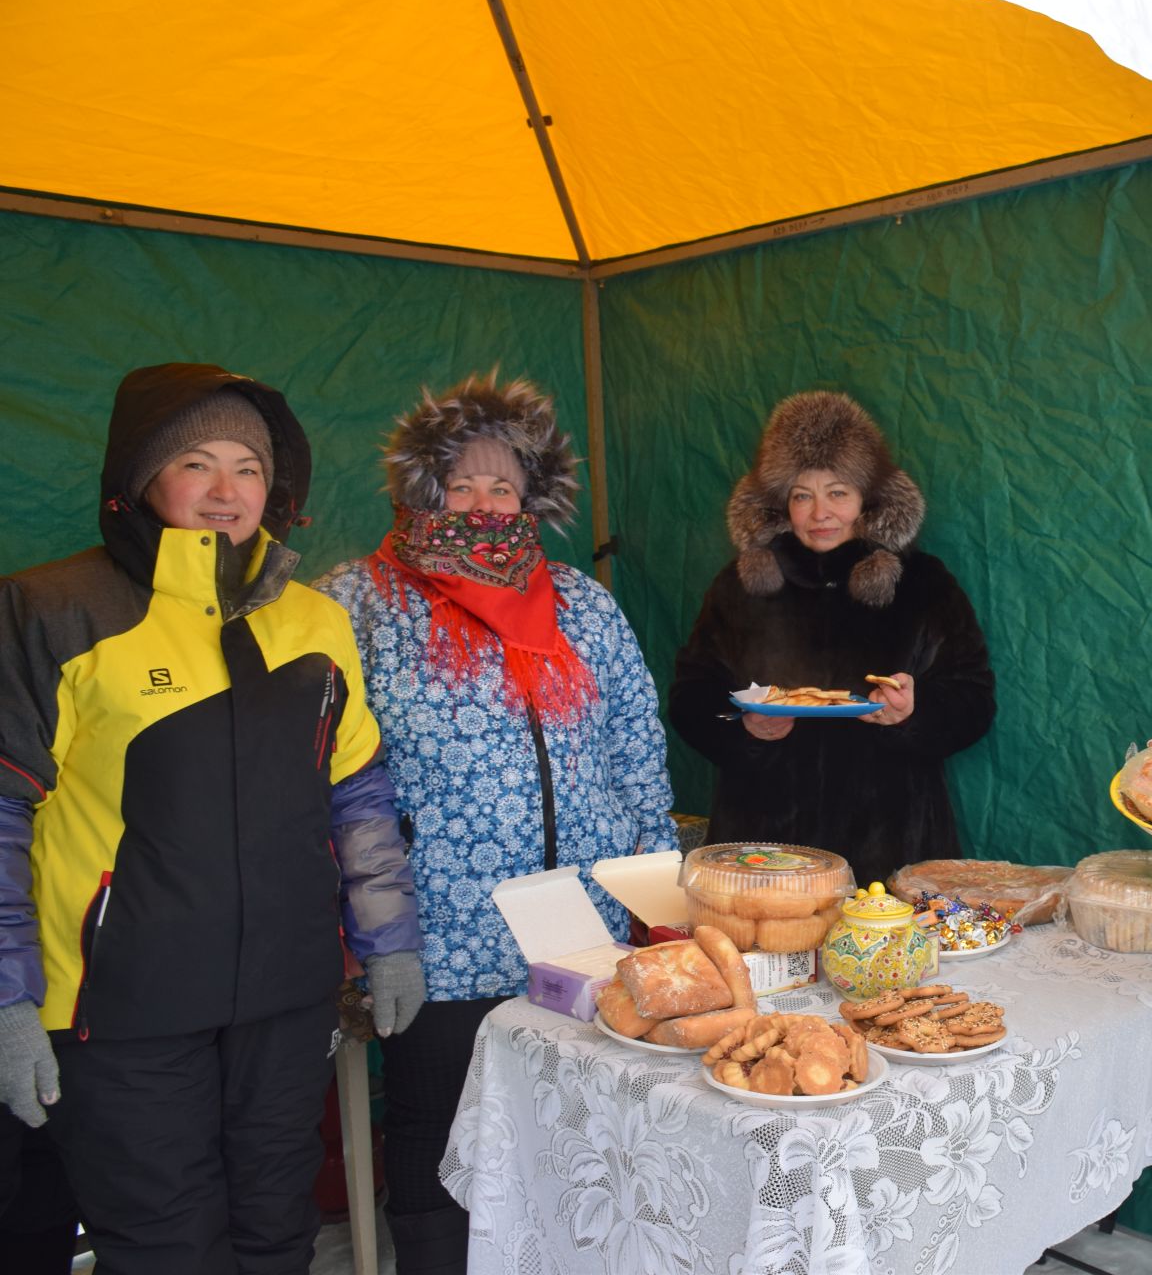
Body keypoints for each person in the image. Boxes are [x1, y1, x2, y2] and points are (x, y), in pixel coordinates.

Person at [0, 363, 424, 1274]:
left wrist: (390, 939)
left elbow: (357, 797)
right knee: (164, 1246)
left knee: (278, 1232)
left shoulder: (314, 622)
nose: (226, 491)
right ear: (141, 480)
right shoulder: (55, 609)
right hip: (120, 1011)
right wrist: (5, 996)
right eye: (196, 463)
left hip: (284, 996)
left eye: (249, 466)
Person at [316, 370, 678, 1273]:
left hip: (580, 932)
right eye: (461, 486)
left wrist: (658, 879)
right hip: (439, 931)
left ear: (533, 499)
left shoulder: (581, 602)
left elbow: (636, 743)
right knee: (439, 1131)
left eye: (503, 487)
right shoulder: (358, 601)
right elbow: (326, 769)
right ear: (421, 490)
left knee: (574, 1124)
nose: (483, 504)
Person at [669, 390, 995, 885]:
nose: (820, 512)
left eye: (838, 492)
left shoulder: (922, 583)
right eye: (803, 495)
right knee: (764, 962)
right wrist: (743, 726)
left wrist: (914, 714)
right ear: (781, 504)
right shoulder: (739, 586)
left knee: (885, 960)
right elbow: (692, 698)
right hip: (764, 847)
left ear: (868, 498)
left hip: (893, 846)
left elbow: (974, 698)